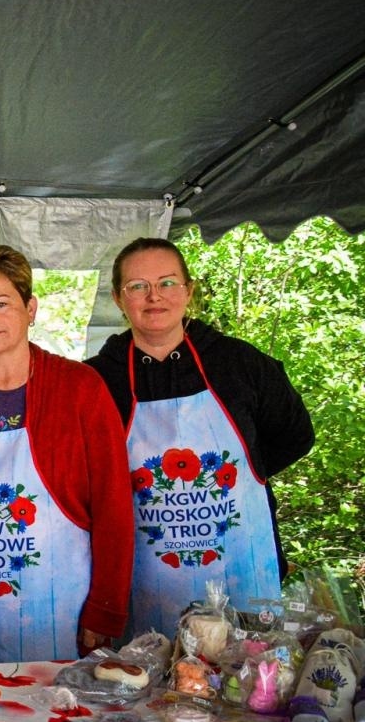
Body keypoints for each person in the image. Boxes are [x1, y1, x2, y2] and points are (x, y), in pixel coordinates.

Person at [87, 237, 314, 637]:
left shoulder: (242, 364)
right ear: (119, 299)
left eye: (167, 282)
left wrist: (238, 479)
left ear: (189, 290)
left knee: (243, 687)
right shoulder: (96, 380)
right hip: (142, 579)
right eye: (137, 286)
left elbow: (295, 435)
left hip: (240, 569)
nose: (154, 296)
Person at [0, 245, 133, 662]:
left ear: (30, 308)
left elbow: (114, 504)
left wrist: (106, 609)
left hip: (59, 600)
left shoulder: (81, 387)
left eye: (0, 303)